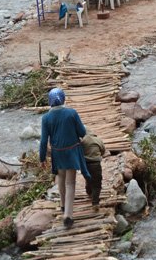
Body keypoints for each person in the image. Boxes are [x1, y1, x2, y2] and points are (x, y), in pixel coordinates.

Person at [40, 88, 90, 229]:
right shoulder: (71, 113)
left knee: (60, 178)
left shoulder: (46, 118)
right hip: (72, 151)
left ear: (50, 101)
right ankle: (68, 215)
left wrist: (42, 158)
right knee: (70, 183)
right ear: (63, 99)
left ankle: (62, 204)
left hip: (57, 153)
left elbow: (44, 141)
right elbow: (82, 132)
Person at [81, 126, 106, 211]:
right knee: (97, 184)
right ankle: (95, 203)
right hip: (95, 165)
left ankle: (89, 192)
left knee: (88, 179)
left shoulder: (82, 140)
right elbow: (103, 150)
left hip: (85, 165)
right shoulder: (98, 140)